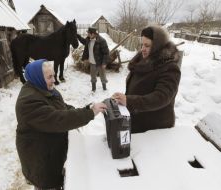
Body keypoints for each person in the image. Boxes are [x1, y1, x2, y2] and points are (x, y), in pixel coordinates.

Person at [15, 59, 107, 190]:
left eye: (54, 75)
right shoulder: (28, 102)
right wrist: (89, 113)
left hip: (50, 151)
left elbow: (62, 108)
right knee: (47, 185)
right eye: (50, 77)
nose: (54, 80)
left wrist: (86, 109)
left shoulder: (44, 88)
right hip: (40, 158)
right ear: (38, 77)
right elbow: (58, 119)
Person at [112, 25, 181, 133]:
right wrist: (125, 99)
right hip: (139, 122)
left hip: (155, 130)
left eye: (147, 45)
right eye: (142, 45)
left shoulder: (170, 68)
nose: (142, 49)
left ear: (158, 46)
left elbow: (161, 97)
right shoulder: (142, 61)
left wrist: (129, 101)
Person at [77, 27, 109, 92]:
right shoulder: (88, 39)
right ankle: (93, 89)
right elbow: (84, 41)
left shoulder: (102, 41)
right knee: (93, 77)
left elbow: (106, 53)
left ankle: (104, 88)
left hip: (100, 63)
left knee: (102, 76)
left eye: (88, 33)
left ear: (93, 34)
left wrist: (104, 63)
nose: (87, 34)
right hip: (92, 63)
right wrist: (77, 36)